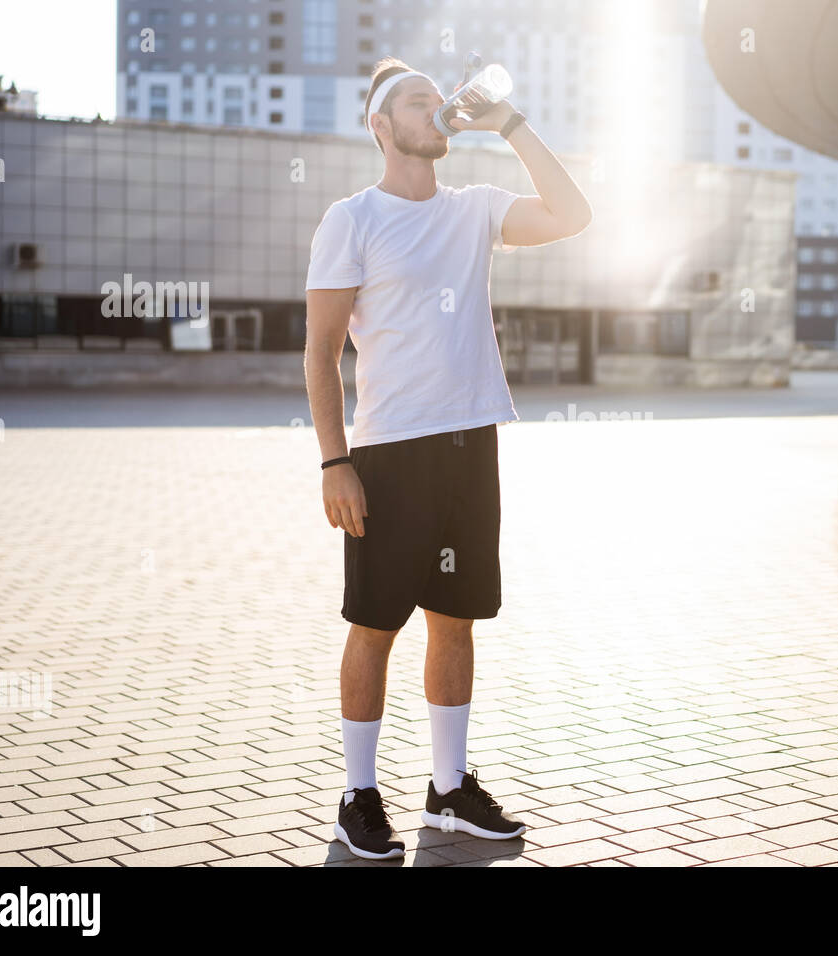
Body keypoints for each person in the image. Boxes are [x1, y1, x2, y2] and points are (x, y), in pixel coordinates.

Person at [304, 57, 591, 861]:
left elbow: (571, 213)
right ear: (380, 126)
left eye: (440, 99)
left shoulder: (474, 210)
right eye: (416, 103)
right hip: (389, 453)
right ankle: (358, 795)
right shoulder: (351, 218)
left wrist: (509, 123)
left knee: (456, 622)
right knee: (373, 625)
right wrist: (336, 463)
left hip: (472, 443)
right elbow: (320, 351)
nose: (436, 110)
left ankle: (449, 789)